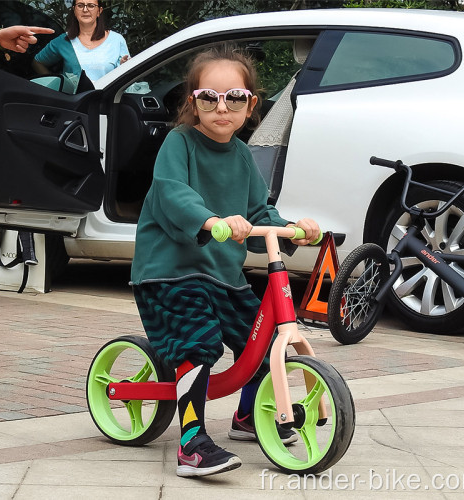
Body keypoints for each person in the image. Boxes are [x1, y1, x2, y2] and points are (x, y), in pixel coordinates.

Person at [130, 43, 321, 478]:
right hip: (170, 273)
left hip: (222, 275)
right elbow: (173, 195)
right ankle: (191, 443)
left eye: (234, 98)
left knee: (264, 336)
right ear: (192, 103)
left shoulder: (242, 156)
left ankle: (248, 416)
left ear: (250, 105)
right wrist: (212, 220)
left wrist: (294, 227)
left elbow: (259, 214)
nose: (222, 107)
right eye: (209, 98)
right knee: (199, 341)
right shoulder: (179, 144)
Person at [32, 0, 129, 82]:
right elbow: (37, 62)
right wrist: (57, 85)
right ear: (74, 10)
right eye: (80, 5)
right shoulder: (64, 41)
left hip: (107, 101)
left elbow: (127, 74)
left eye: (91, 6)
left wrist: (124, 66)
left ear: (99, 11)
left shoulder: (116, 39)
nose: (85, 10)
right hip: (74, 102)